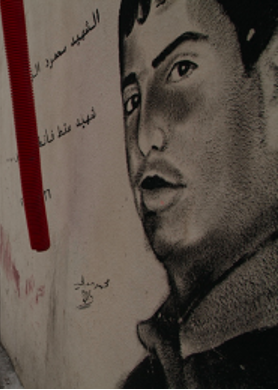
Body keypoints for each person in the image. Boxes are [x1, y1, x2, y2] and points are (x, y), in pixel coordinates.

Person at [119, 0, 278, 387]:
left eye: (181, 69)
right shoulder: (158, 369)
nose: (144, 137)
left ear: (272, 84)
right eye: (132, 100)